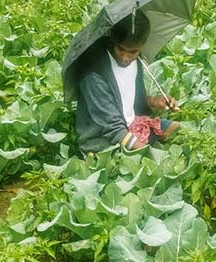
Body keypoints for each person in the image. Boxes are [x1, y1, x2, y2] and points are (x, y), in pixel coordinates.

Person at [75, 9, 179, 154]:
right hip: (103, 138)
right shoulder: (94, 71)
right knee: (149, 157)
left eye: (133, 52)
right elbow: (112, 128)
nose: (125, 57)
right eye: (121, 49)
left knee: (178, 130)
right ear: (113, 40)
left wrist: (153, 101)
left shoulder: (137, 61)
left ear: (142, 45)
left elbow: (130, 101)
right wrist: (147, 151)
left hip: (132, 124)